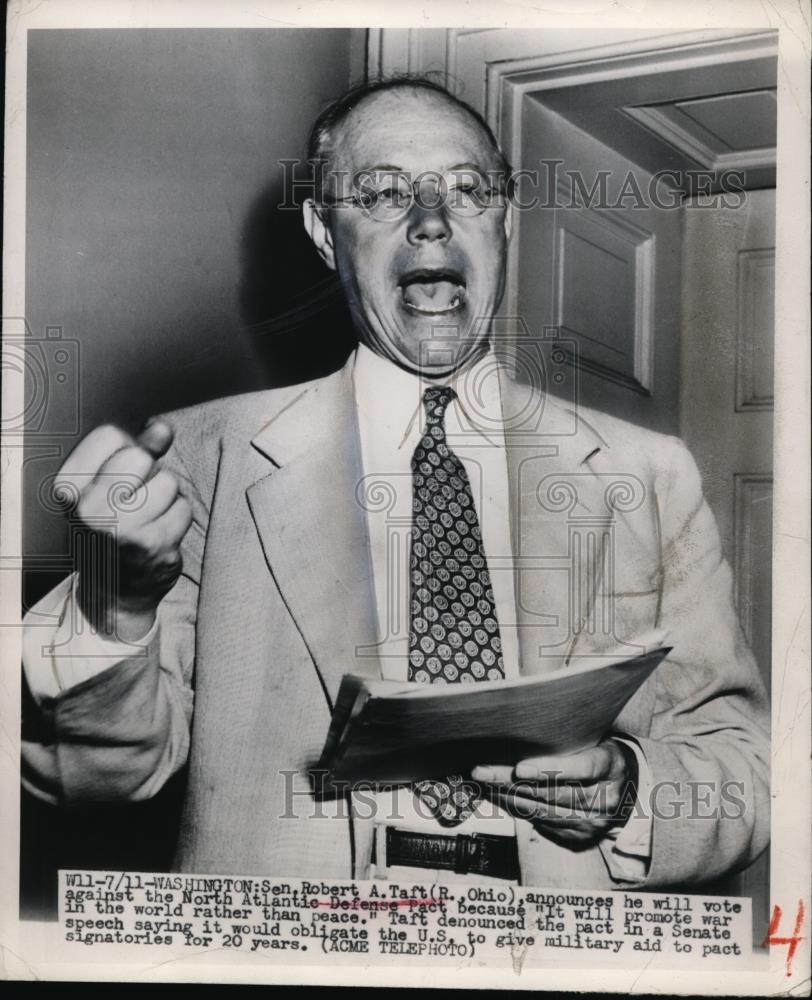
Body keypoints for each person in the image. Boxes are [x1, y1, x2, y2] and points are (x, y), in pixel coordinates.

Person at [22, 77, 769, 889]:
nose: (431, 220)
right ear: (321, 230)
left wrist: (634, 792)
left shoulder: (647, 475)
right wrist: (115, 599)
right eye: (380, 193)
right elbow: (88, 776)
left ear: (506, 220)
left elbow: (745, 767)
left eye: (468, 189)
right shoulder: (204, 457)